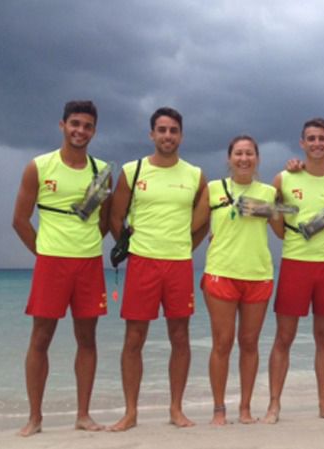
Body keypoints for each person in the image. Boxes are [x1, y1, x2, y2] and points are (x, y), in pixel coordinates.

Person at [12, 100, 111, 436]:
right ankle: (35, 418)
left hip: (88, 263)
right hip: (51, 263)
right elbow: (20, 220)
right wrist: (45, 253)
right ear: (62, 125)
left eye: (87, 126)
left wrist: (84, 245)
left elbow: (105, 221)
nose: (80, 131)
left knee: (87, 340)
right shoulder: (39, 167)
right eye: (75, 124)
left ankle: (83, 415)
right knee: (40, 339)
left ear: (94, 131)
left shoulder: (102, 171)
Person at [109, 107, 207, 431]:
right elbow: (115, 216)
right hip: (142, 263)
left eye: (173, 130)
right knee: (134, 338)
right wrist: (130, 247)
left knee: (180, 337)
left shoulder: (195, 175)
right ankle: (130, 412)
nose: (167, 136)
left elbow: (202, 222)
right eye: (161, 130)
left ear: (181, 135)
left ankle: (176, 409)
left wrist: (183, 248)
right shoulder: (132, 170)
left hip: (179, 265)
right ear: (151, 134)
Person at [264, 118, 324, 424]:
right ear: (302, 143)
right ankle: (274, 406)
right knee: (284, 337)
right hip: (295, 264)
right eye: (311, 139)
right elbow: (274, 220)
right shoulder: (284, 178)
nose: (317, 143)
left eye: (322, 138)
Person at [193, 135, 280, 425]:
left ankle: (245, 408)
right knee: (222, 342)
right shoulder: (214, 188)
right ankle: (219, 409)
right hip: (221, 272)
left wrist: (269, 207)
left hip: (258, 273)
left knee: (250, 342)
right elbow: (194, 224)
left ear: (257, 159)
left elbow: (282, 230)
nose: (244, 159)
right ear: (229, 158)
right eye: (238, 154)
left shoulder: (268, 191)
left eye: (249, 154)